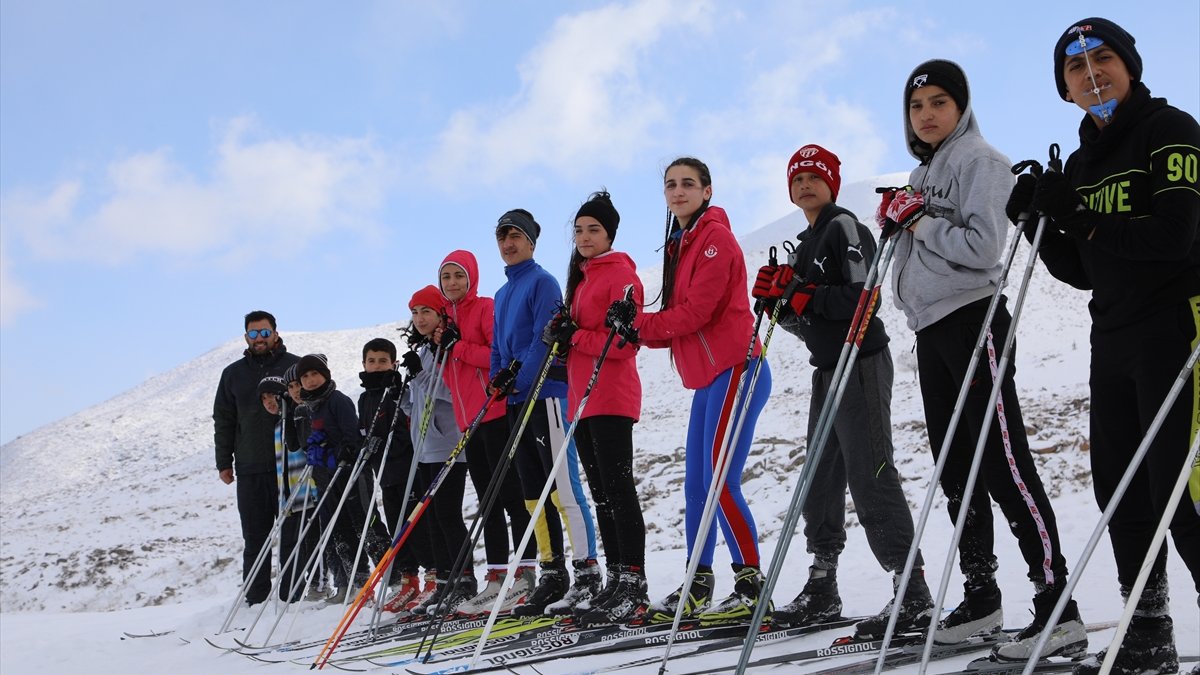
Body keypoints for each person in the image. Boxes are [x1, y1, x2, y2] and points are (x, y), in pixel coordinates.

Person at [1006, 18, 1199, 674]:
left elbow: (1170, 238)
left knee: (1183, 488)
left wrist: (1079, 214)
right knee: (1123, 490)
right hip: (1112, 335)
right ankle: (1147, 631)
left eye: (1103, 56)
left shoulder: (1168, 130)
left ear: (1130, 65)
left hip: (1177, 324)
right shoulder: (1084, 156)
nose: (1091, 70)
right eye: (1074, 66)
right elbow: (1086, 267)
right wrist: (1040, 222)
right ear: (1065, 89)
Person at [881, 59, 1084, 658]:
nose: (928, 114)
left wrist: (919, 223)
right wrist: (902, 225)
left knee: (1003, 463)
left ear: (962, 107)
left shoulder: (980, 161)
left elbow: (984, 246)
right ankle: (981, 596)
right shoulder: (923, 173)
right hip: (932, 325)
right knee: (957, 467)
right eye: (918, 107)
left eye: (941, 102)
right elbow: (923, 240)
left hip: (973, 319)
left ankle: (1056, 603)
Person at [753, 145, 932, 637]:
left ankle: (912, 591)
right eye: (798, 178)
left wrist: (802, 294)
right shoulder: (806, 241)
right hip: (828, 367)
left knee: (870, 471)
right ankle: (823, 582)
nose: (806, 184)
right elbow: (813, 324)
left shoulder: (843, 226)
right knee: (820, 477)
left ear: (832, 182)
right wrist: (780, 307)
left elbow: (863, 299)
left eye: (816, 176)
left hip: (861, 361)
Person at [608, 157, 772, 625]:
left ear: (707, 191)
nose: (677, 192)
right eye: (670, 185)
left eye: (687, 184)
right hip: (710, 377)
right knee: (697, 487)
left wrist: (637, 327)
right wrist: (636, 327)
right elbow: (677, 320)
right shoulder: (682, 243)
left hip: (739, 367)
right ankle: (699, 580)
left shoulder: (715, 241)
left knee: (719, 482)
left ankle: (750, 586)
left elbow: (697, 314)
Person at [542, 191, 649, 624]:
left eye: (594, 230)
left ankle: (634, 583)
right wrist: (563, 337)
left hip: (611, 396)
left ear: (610, 235)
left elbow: (624, 342)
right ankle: (617, 577)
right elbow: (583, 340)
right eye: (580, 230)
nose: (585, 237)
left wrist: (576, 337)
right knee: (602, 494)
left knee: (619, 489)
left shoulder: (622, 276)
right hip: (581, 399)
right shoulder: (584, 279)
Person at [490, 209, 600, 616]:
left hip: (548, 395)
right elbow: (498, 348)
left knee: (563, 488)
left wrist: (519, 376)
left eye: (516, 235)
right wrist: (496, 378)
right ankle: (553, 572)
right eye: (502, 237)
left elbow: (545, 337)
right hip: (518, 401)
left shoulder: (543, 281)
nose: (508, 243)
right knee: (532, 493)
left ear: (531, 242)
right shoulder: (502, 294)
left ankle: (587, 572)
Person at [434, 250, 537, 616]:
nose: (453, 283)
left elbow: (497, 354)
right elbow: (451, 377)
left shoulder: (485, 308)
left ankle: (526, 573)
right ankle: (496, 579)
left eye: (458, 276)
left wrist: (458, 346)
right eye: (446, 277)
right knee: (487, 503)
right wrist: (447, 347)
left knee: (510, 495)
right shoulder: (446, 322)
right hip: (469, 423)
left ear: (472, 277)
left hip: (494, 412)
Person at [213, 310, 300, 605]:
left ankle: (293, 595)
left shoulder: (296, 366)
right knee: (254, 536)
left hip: (290, 465)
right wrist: (224, 461)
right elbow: (223, 419)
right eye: (253, 333)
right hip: (250, 466)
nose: (259, 338)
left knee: (293, 533)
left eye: (265, 332)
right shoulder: (233, 374)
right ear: (246, 336)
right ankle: (255, 597)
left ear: (275, 332)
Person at [399, 286, 477, 614]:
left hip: (448, 445)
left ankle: (464, 580)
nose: (419, 319)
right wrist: (401, 390)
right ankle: (444, 582)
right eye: (415, 312)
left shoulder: (444, 347)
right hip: (424, 446)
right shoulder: (422, 349)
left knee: (446, 513)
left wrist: (418, 376)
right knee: (431, 518)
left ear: (440, 313)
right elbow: (417, 402)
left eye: (426, 312)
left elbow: (449, 390)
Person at [356, 337, 431, 613]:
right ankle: (409, 581)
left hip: (408, 470)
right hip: (385, 474)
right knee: (397, 529)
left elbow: (407, 430)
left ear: (394, 363)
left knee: (417, 527)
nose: (376, 366)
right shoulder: (364, 398)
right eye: (371, 361)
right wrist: (365, 442)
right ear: (364, 364)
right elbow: (364, 429)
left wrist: (387, 440)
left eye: (383, 361)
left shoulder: (400, 391)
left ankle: (433, 578)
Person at [296, 352, 377, 598]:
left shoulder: (337, 400)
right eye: (305, 376)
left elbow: (351, 433)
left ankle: (395, 578)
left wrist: (345, 447)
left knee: (364, 526)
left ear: (325, 375)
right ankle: (357, 582)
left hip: (349, 473)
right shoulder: (309, 407)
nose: (311, 380)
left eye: (315, 374)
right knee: (339, 531)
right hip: (325, 477)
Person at [258, 375, 320, 602]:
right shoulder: (277, 428)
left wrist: (315, 489)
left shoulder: (298, 418)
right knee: (290, 550)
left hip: (308, 494)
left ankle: (317, 587)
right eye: (264, 399)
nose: (269, 402)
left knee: (313, 546)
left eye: (273, 396)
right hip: (289, 501)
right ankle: (290, 596)